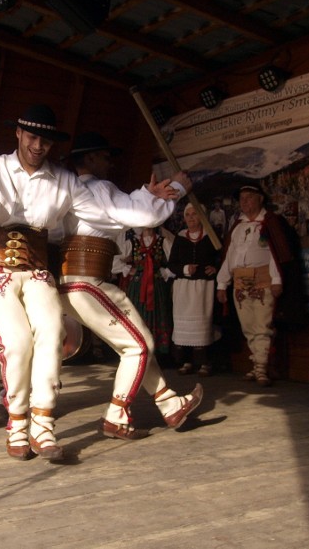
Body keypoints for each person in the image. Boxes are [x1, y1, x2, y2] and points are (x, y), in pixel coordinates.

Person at [0, 104, 117, 461]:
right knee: (16, 343)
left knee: (51, 334)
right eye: (32, 136)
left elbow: (104, 214)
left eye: (46, 140)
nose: (38, 146)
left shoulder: (63, 180)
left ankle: (43, 427)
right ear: (17, 133)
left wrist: (150, 202)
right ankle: (17, 425)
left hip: (37, 269)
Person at [59, 131, 203, 440]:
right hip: (87, 281)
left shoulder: (72, 192)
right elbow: (140, 215)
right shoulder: (98, 188)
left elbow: (119, 211)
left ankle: (169, 402)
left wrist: (147, 193)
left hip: (70, 283)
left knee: (130, 344)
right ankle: (117, 415)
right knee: (140, 345)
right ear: (89, 159)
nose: (110, 163)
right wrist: (177, 188)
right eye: (105, 157)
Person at [215, 183, 300, 386]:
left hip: (263, 281)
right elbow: (230, 257)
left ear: (260, 199)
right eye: (241, 199)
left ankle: (261, 367)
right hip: (240, 284)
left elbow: (276, 255)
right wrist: (221, 283)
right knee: (248, 327)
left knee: (263, 326)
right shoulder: (238, 226)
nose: (244, 202)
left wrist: (277, 280)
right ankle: (257, 364)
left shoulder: (270, 222)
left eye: (249, 197)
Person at [167, 202, 220, 377]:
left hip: (203, 288)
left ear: (202, 217)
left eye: (194, 214)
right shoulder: (180, 237)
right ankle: (186, 361)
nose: (191, 218)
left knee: (203, 324)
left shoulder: (211, 236)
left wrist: (215, 268)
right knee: (184, 326)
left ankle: (205, 362)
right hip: (184, 289)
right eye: (188, 215)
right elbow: (172, 264)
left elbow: (221, 258)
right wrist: (184, 269)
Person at [117, 225, 175, 362]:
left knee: (158, 314)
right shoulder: (132, 242)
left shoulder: (163, 241)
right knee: (138, 315)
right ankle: (138, 349)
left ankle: (158, 353)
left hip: (157, 286)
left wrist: (165, 272)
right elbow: (114, 260)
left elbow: (177, 260)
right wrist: (127, 269)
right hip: (138, 287)